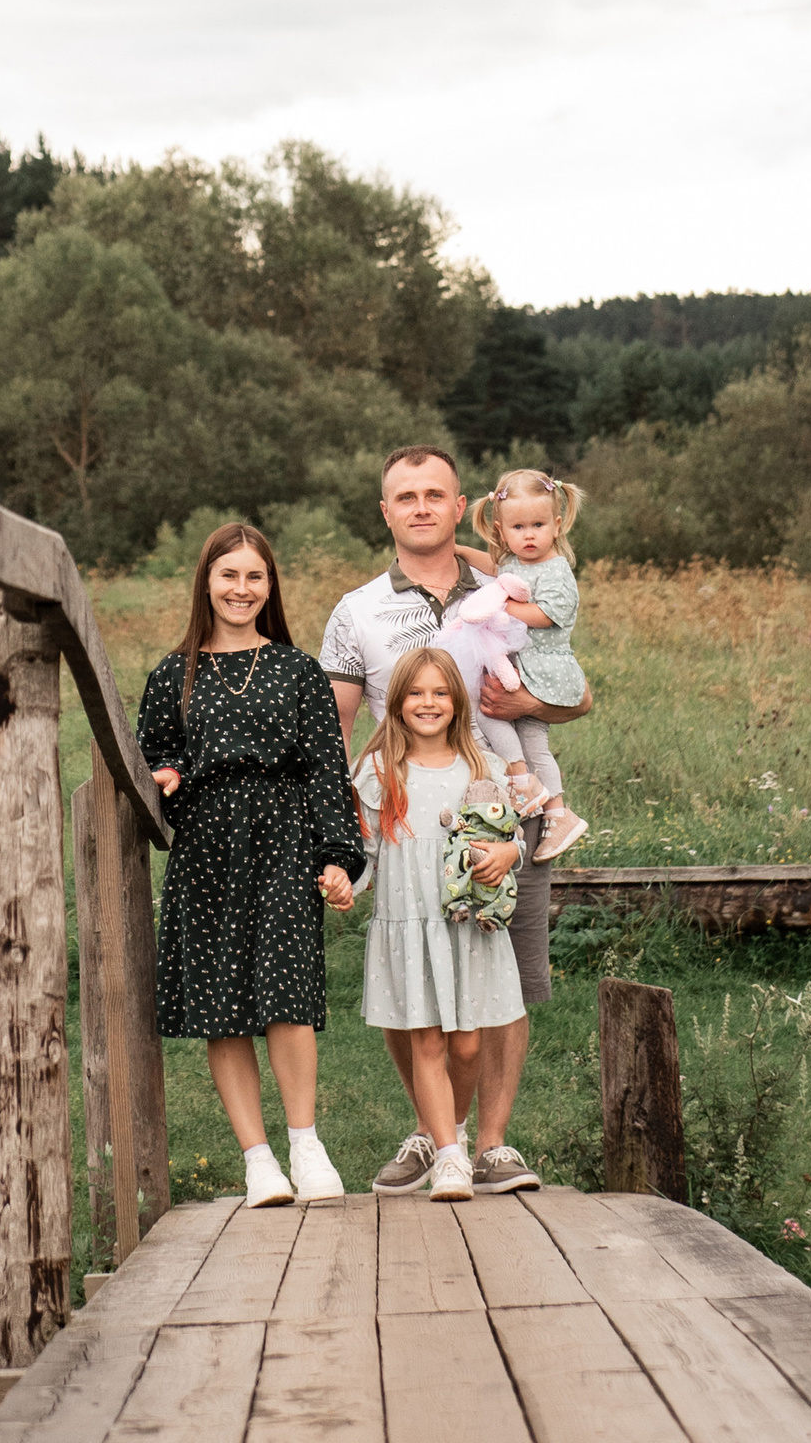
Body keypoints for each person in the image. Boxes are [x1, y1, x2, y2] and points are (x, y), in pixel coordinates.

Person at [321, 443, 590, 1196]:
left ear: (458, 501)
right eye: (405, 497)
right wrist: (342, 823)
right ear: (386, 511)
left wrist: (526, 707)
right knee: (413, 979)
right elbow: (333, 727)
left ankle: (494, 1146)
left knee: (505, 978)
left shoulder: (511, 581)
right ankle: (435, 1135)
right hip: (407, 816)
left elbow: (576, 692)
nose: (421, 508)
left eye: (434, 494)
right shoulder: (358, 610)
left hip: (503, 812)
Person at [138, 522, 367, 1208]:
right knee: (223, 1005)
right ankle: (258, 1161)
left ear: (270, 587)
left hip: (284, 842)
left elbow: (328, 769)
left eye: (254, 577)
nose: (241, 589)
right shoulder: (171, 674)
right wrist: (169, 775)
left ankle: (306, 1144)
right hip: (208, 845)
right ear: (206, 581)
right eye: (229, 575)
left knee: (287, 994)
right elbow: (153, 753)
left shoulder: (298, 671)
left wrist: (336, 857)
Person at [351, 649, 525, 1199]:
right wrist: (340, 883)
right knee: (426, 1039)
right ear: (396, 704)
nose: (428, 703)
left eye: (440, 693)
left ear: (459, 701)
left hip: (468, 927)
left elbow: (511, 836)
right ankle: (450, 1157)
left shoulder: (485, 770)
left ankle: (454, 1132)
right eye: (416, 693)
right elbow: (366, 855)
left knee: (469, 1046)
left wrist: (510, 856)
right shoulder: (379, 774)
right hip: (411, 927)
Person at [458, 470, 592, 862]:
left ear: (556, 525)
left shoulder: (557, 570)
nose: (529, 535)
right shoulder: (518, 562)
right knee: (533, 742)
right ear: (501, 531)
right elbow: (500, 573)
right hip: (522, 667)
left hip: (543, 670)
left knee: (493, 718)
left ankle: (526, 783)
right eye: (519, 527)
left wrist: (499, 604)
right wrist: (465, 554)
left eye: (538, 525)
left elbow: (547, 615)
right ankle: (555, 811)